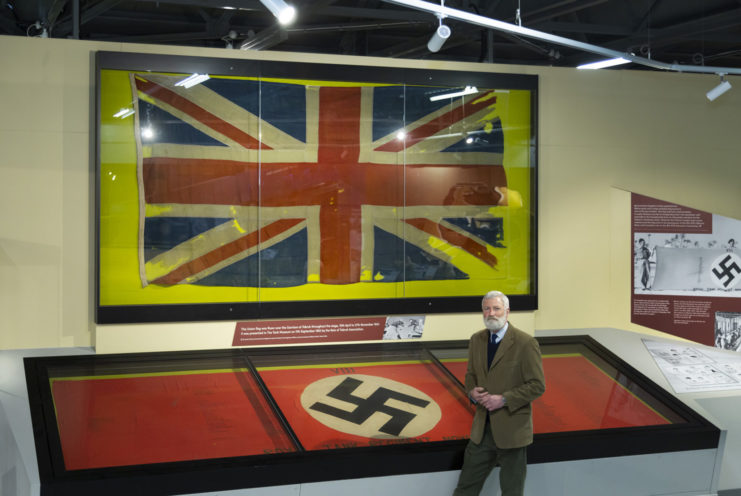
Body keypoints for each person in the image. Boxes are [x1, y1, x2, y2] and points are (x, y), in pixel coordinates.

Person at [453, 290, 546, 496]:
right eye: (486, 309)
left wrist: (504, 399)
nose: (491, 313)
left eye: (496, 308)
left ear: (507, 311)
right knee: (465, 489)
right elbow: (470, 375)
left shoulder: (525, 343)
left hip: (512, 431)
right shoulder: (476, 340)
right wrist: (471, 392)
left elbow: (537, 385)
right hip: (481, 432)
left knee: (512, 492)